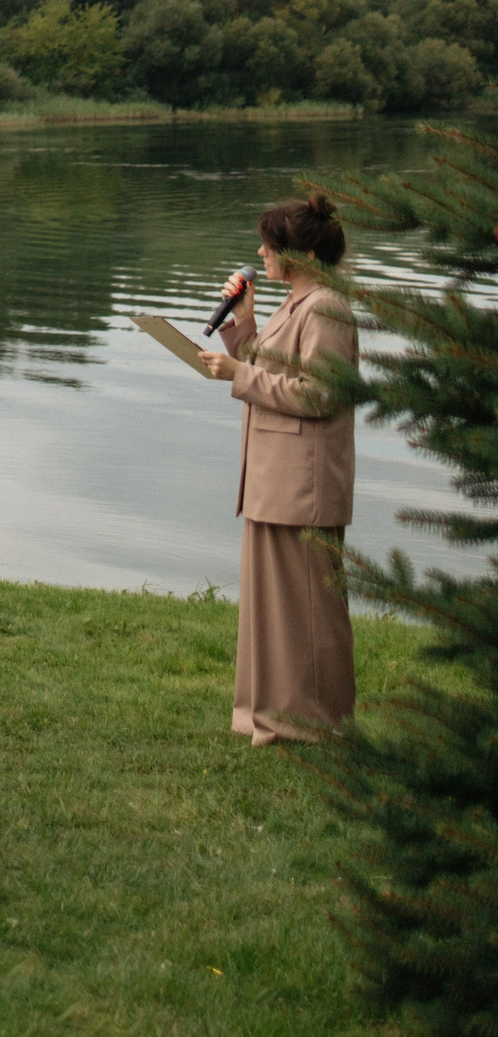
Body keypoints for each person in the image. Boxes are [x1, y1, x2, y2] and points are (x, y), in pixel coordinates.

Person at [199, 192, 359, 745]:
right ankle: (267, 715)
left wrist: (236, 376)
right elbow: (272, 371)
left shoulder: (327, 308)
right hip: (275, 477)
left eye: (269, 246)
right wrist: (243, 326)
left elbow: (320, 394)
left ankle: (318, 723)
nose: (260, 254)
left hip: (303, 484)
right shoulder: (296, 303)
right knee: (272, 609)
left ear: (301, 255)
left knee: (308, 609)